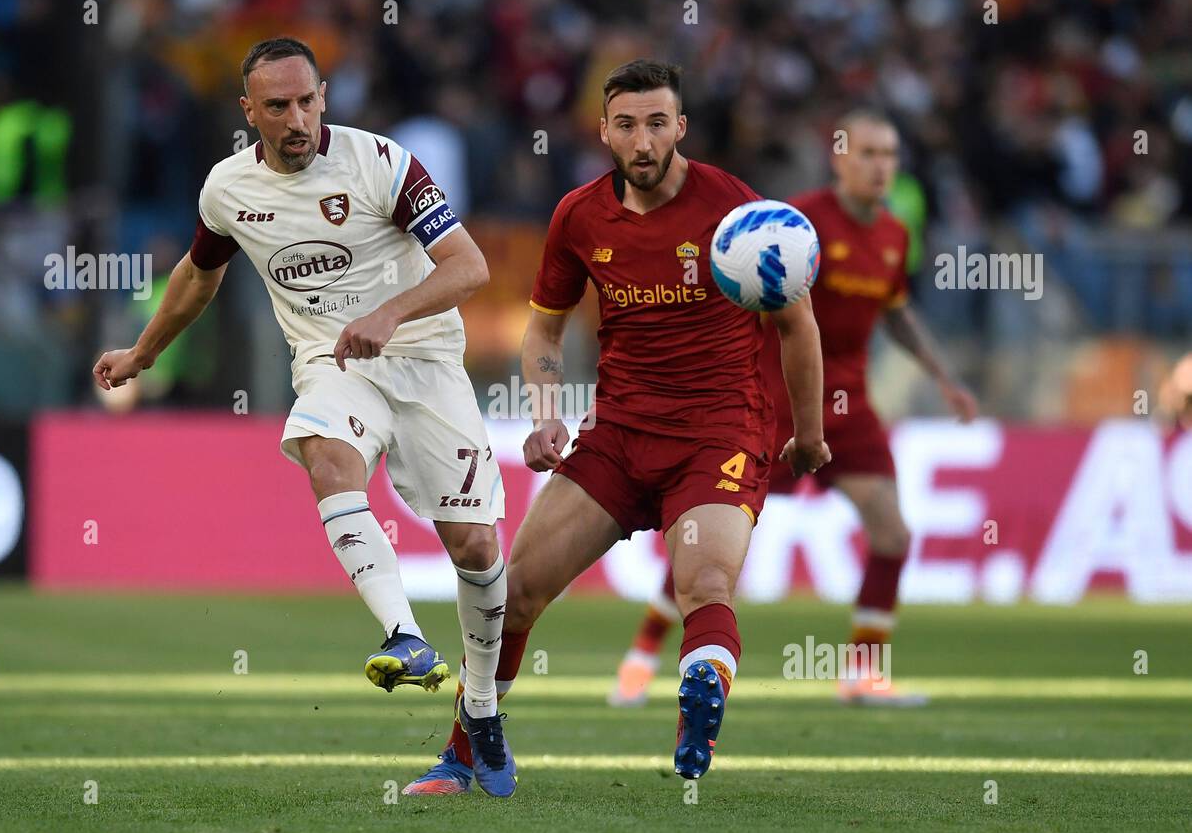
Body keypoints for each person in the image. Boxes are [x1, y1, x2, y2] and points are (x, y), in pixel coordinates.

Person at [92, 37, 515, 795]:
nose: (297, 119)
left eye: (308, 101)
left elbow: (470, 266)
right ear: (248, 110)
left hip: (422, 358)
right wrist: (144, 353)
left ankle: (480, 707)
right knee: (323, 450)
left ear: (325, 96)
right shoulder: (227, 190)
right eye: (278, 106)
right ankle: (404, 636)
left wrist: (389, 313)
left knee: (476, 546)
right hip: (332, 363)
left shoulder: (380, 162)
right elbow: (198, 275)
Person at [402, 58, 829, 794]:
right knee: (515, 592)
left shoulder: (734, 211)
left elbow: (797, 324)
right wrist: (544, 418)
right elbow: (543, 333)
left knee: (704, 582)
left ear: (681, 128)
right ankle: (465, 756)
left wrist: (812, 434)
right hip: (619, 434)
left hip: (718, 433)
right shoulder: (579, 215)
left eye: (657, 122)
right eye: (627, 123)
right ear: (603, 130)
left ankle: (699, 702)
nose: (642, 139)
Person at [609, 109, 979, 708]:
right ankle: (643, 654)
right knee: (710, 548)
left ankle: (863, 673)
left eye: (889, 155)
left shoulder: (894, 234)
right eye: (868, 153)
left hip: (852, 405)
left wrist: (944, 378)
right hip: (778, 400)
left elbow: (895, 311)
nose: (881, 166)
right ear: (839, 158)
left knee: (891, 533)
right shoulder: (794, 224)